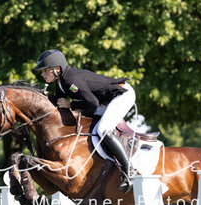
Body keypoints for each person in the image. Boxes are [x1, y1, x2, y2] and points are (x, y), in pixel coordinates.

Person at [35, 49, 137, 193]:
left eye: (45, 70)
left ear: (57, 69)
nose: (42, 74)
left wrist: (71, 105)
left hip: (122, 95)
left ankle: (129, 170)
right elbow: (58, 102)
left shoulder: (70, 80)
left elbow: (92, 103)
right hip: (105, 101)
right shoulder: (61, 81)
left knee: (102, 129)